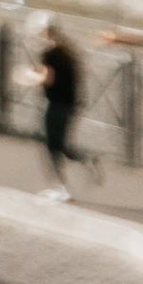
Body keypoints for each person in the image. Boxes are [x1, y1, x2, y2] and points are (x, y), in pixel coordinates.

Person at [37, 23, 81, 198]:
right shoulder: (68, 52)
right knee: (61, 144)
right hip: (69, 103)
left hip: (55, 103)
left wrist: (32, 77)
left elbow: (48, 80)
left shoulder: (49, 54)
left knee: (52, 147)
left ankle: (61, 187)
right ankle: (83, 161)